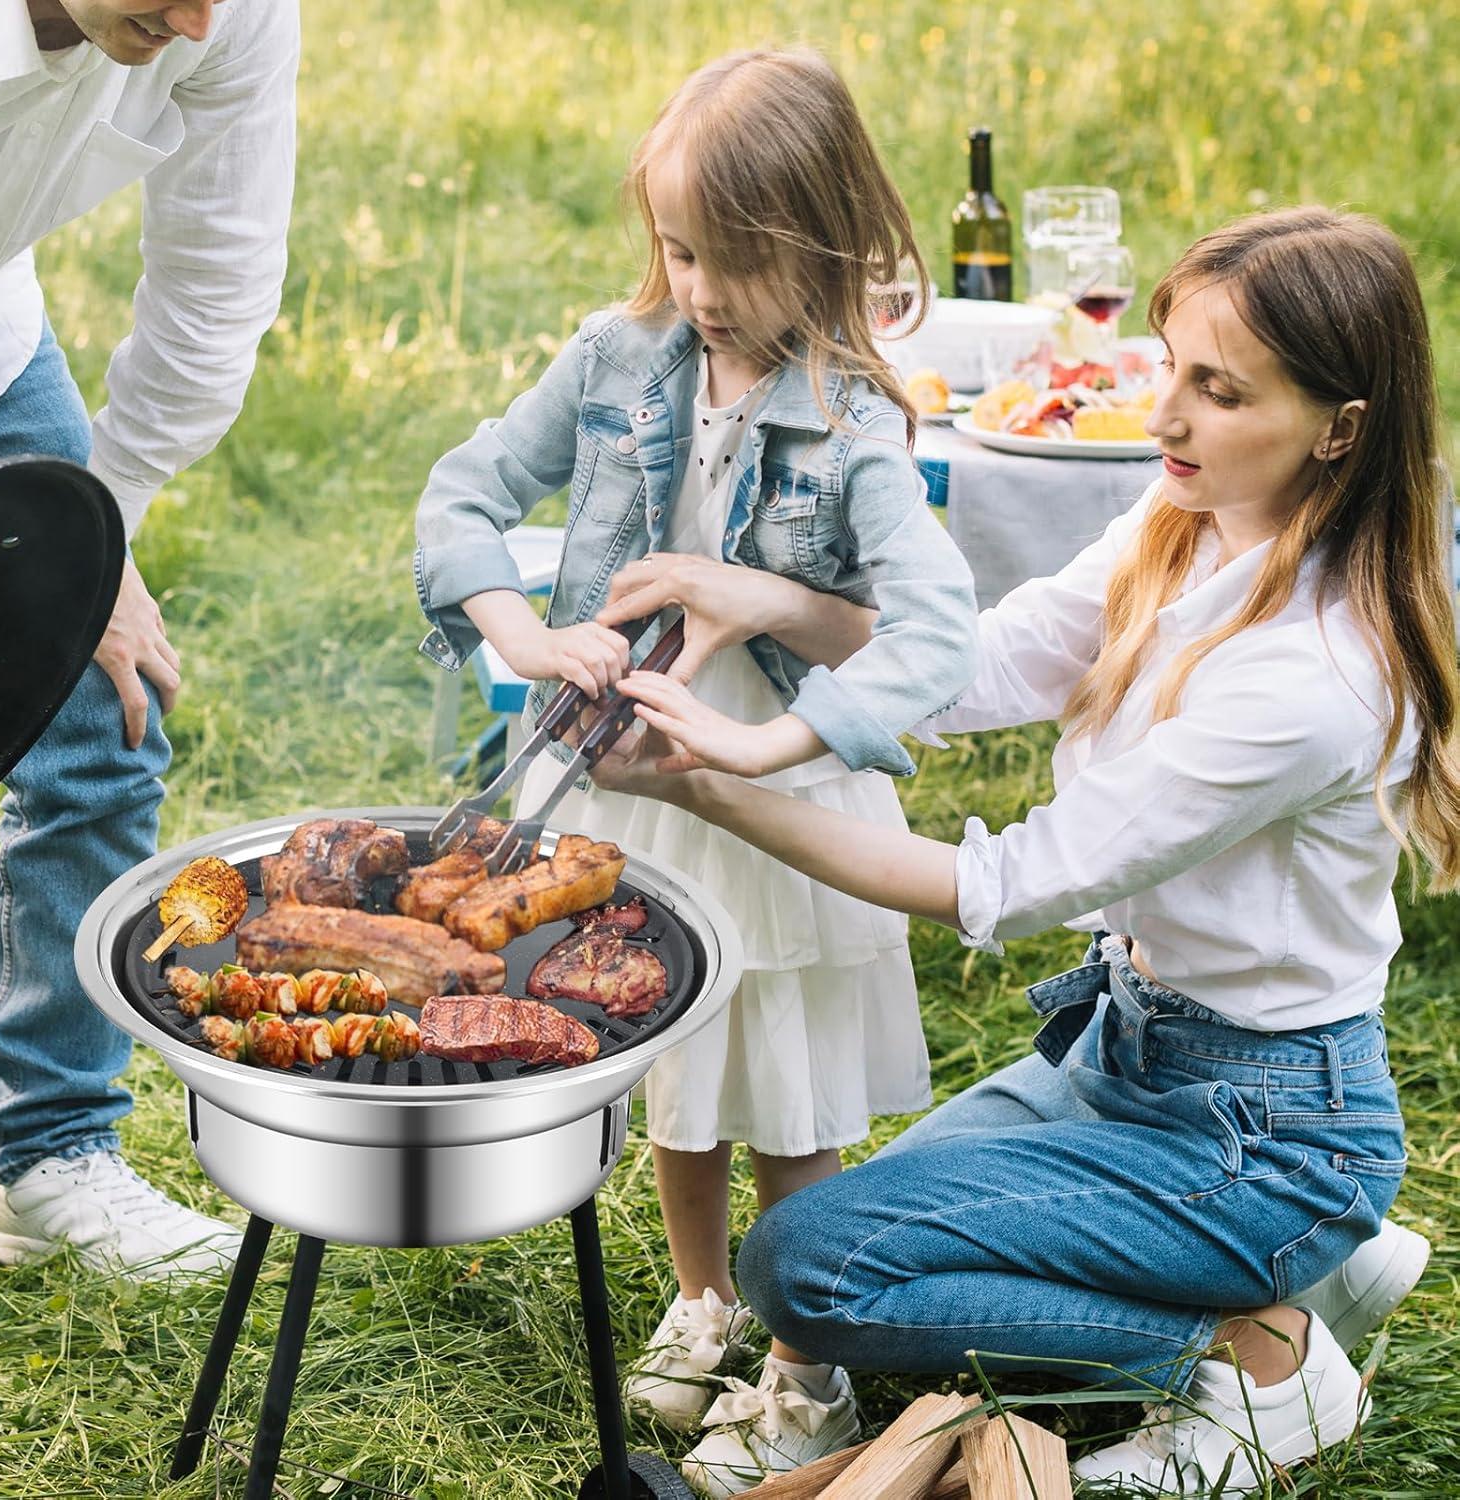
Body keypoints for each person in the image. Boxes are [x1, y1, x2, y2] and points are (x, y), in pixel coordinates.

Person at [594, 206, 1455, 1495]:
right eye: (1172, 366)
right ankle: (1298, 1263)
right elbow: (976, 664)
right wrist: (765, 600)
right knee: (851, 1241)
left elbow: (1003, 883)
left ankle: (1259, 1347)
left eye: (1218, 392)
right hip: (1129, 1053)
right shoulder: (1189, 524)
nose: (1164, 418)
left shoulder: (1310, 677)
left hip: (1261, 1126)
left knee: (804, 1267)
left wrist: (713, 787)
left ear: (1342, 426)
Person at [413, 47, 978, 1493]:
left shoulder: (854, 421)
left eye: (733, 260)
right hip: (629, 781)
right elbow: (465, 490)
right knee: (663, 1044)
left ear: (825, 246)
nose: (701, 287)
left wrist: (767, 730)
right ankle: (705, 1294)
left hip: (777, 797)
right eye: (678, 248)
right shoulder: (614, 356)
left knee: (784, 1077)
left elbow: (917, 632)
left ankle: (807, 1361)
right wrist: (524, 638)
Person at [0, 0, 298, 1281]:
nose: (198, 17)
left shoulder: (231, 12)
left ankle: (48, 1161)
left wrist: (96, 542)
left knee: (109, 703)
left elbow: (217, 275)